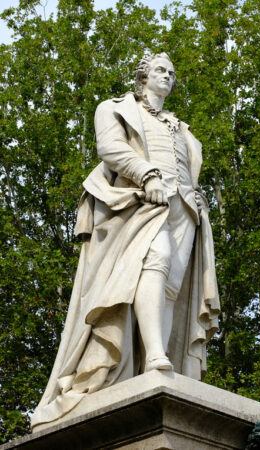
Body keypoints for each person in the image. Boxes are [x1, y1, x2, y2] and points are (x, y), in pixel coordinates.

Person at [31, 53, 220, 429]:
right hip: (137, 202)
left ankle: (159, 357)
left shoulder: (180, 127)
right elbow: (111, 149)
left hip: (184, 207)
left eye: (172, 72)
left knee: (170, 287)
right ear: (142, 76)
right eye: (160, 70)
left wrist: (197, 196)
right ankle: (153, 357)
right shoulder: (114, 108)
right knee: (157, 259)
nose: (168, 76)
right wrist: (147, 173)